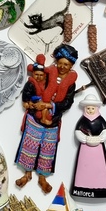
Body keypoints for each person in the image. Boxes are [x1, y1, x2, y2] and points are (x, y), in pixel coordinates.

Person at [14, 45, 78, 194]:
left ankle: (42, 178)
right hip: (36, 116)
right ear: (56, 62)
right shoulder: (48, 74)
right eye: (60, 63)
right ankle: (27, 174)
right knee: (29, 146)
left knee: (47, 150)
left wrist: (50, 105)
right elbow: (34, 84)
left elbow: (68, 103)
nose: (62, 67)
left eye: (66, 64)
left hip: (53, 120)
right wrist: (30, 101)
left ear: (71, 66)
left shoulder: (71, 83)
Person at [70, 91, 106, 200]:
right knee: (83, 169)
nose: (90, 110)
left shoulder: (100, 120)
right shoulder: (83, 120)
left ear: (96, 108)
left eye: (92, 108)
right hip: (85, 148)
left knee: (100, 168)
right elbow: (78, 132)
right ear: (85, 108)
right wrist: (85, 139)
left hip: (98, 148)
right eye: (88, 108)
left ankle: (103, 188)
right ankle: (81, 187)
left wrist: (100, 138)